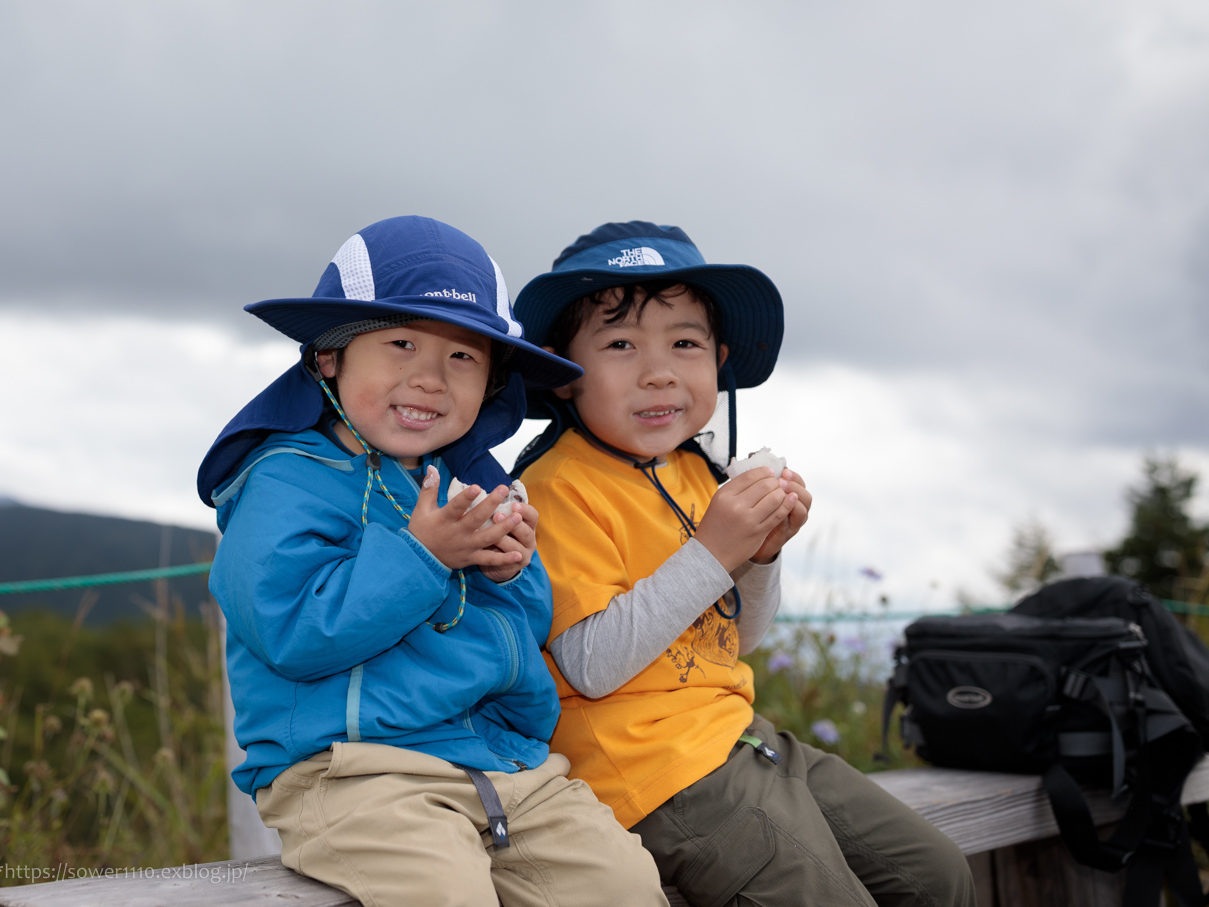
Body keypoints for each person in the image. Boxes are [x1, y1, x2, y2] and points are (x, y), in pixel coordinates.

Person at [197, 216, 668, 907]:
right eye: (400, 343)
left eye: (463, 357)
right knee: (444, 893)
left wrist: (513, 572)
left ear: (492, 381)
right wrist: (423, 555)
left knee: (625, 883)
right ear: (329, 355)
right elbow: (291, 630)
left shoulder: (472, 483)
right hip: (350, 774)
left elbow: (521, 634)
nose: (429, 378)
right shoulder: (282, 481)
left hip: (499, 765)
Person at [513, 221, 977, 907]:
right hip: (649, 769)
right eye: (619, 344)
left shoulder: (699, 473)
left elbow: (741, 636)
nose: (659, 370)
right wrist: (714, 551)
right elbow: (588, 663)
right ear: (563, 374)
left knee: (937, 874)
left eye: (685, 343)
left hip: (739, 737)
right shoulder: (556, 486)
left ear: (719, 359)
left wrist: (760, 554)